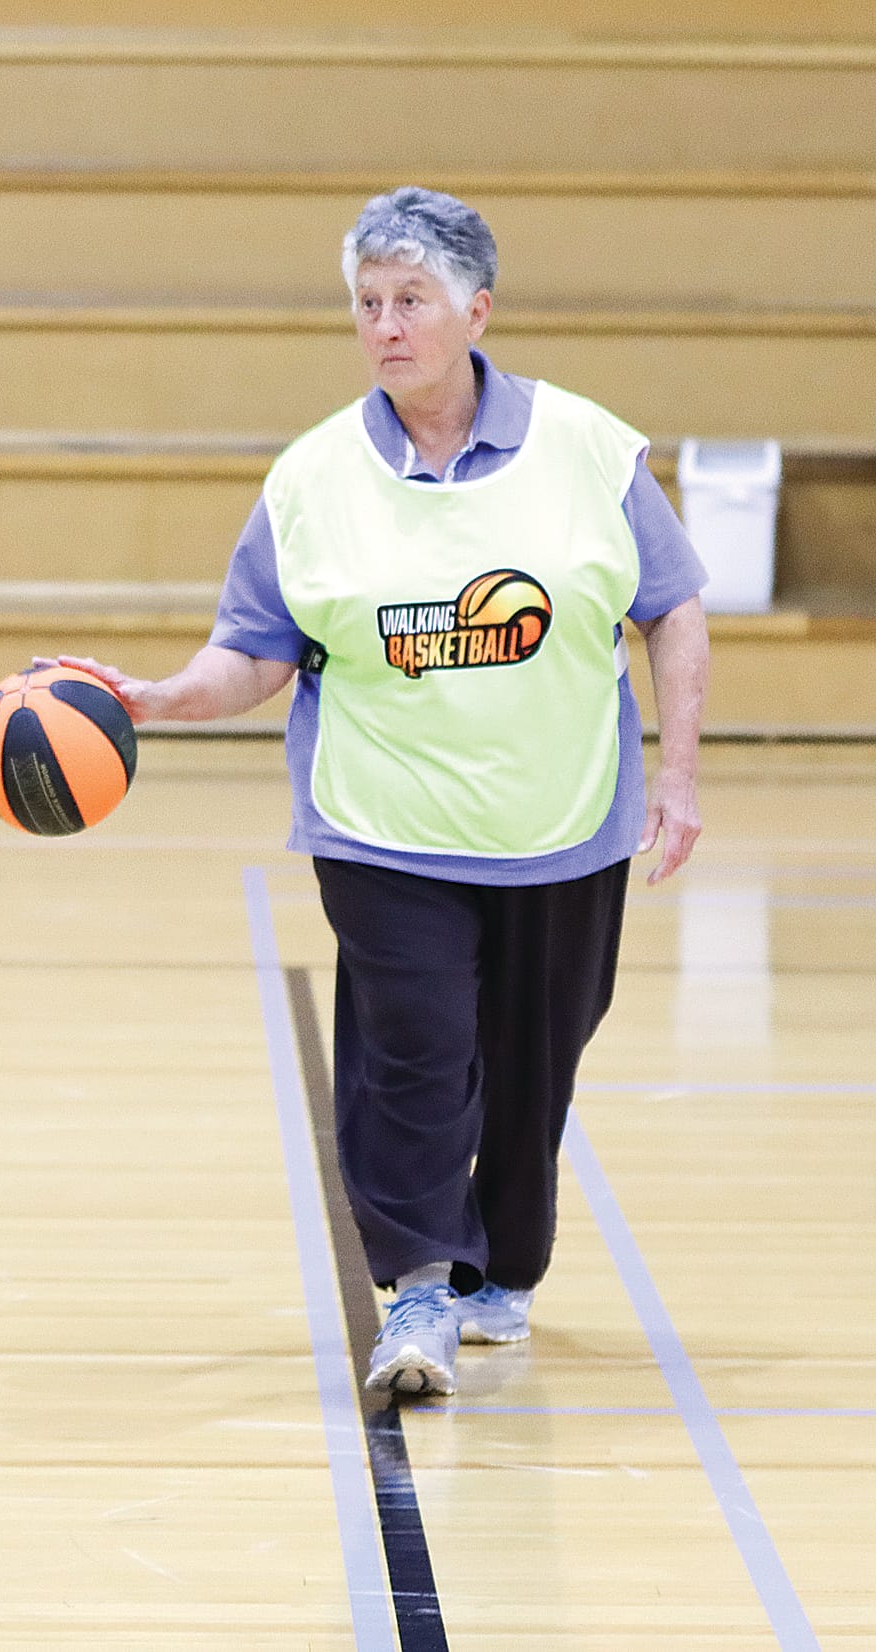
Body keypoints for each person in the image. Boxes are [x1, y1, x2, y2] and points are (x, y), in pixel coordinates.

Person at [60, 187, 708, 1398]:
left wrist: (672, 775)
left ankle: (499, 1266)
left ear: (476, 306)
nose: (386, 325)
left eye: (410, 299)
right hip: (381, 830)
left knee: (531, 1066)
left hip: (562, 829)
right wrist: (161, 697)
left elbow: (668, 606)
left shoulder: (585, 449)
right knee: (408, 1054)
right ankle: (412, 1289)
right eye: (367, 303)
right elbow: (256, 644)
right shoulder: (312, 476)